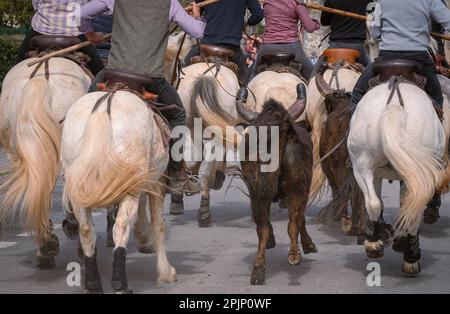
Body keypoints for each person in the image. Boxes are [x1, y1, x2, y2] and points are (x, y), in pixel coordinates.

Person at [78, 0, 206, 214]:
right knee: (178, 115)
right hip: (150, 79)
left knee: (84, 109)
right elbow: (198, 32)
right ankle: (176, 174)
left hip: (113, 73)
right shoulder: (171, 4)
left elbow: (80, 15)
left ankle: (79, 161)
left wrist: (91, 35)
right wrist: (197, 16)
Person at [351, 0, 450, 110]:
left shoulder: (382, 2)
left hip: (387, 57)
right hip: (419, 59)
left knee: (357, 93)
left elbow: (375, 34)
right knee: (437, 98)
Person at [184, 0, 264, 85]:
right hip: (231, 47)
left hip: (207, 43)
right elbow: (258, 15)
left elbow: (197, 8)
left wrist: (196, 14)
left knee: (182, 69)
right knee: (245, 85)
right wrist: (246, 23)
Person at [15, 0, 104, 76]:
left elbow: (36, 4)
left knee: (17, 67)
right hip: (74, 32)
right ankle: (103, 86)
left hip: (42, 30)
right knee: (98, 70)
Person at [251, 0, 320, 81]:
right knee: (313, 77)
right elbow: (309, 27)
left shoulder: (267, 3)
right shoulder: (297, 3)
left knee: (252, 75)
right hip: (291, 47)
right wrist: (316, 24)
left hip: (268, 47)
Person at [320, 0, 373, 67]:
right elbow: (373, 10)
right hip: (358, 46)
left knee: (314, 73)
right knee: (371, 70)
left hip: (335, 45)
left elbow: (324, 22)